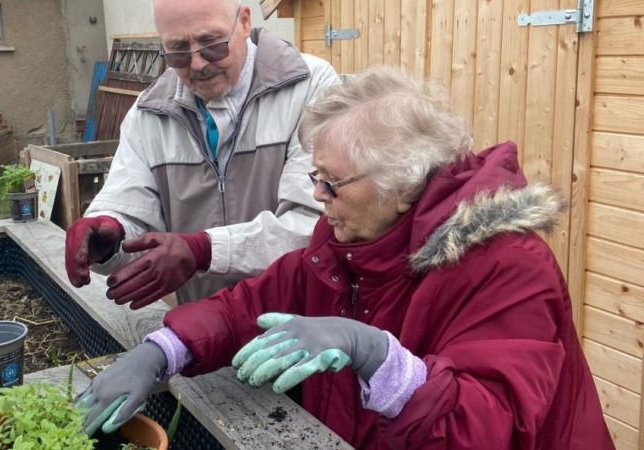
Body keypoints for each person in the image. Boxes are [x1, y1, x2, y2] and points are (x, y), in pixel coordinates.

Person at [75, 64, 614, 449]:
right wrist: (162, 351)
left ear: (402, 185)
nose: (317, 195)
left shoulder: (508, 265)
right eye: (316, 176)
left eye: (331, 182)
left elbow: (484, 428)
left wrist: (377, 354)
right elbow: (248, 307)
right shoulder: (345, 242)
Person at [64, 0, 340, 308]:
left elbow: (314, 224)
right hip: (203, 325)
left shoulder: (309, 87)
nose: (197, 64)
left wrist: (204, 250)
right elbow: (130, 209)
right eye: (178, 51)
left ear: (244, 23)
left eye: (212, 43)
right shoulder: (149, 114)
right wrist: (112, 234)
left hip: (300, 323)